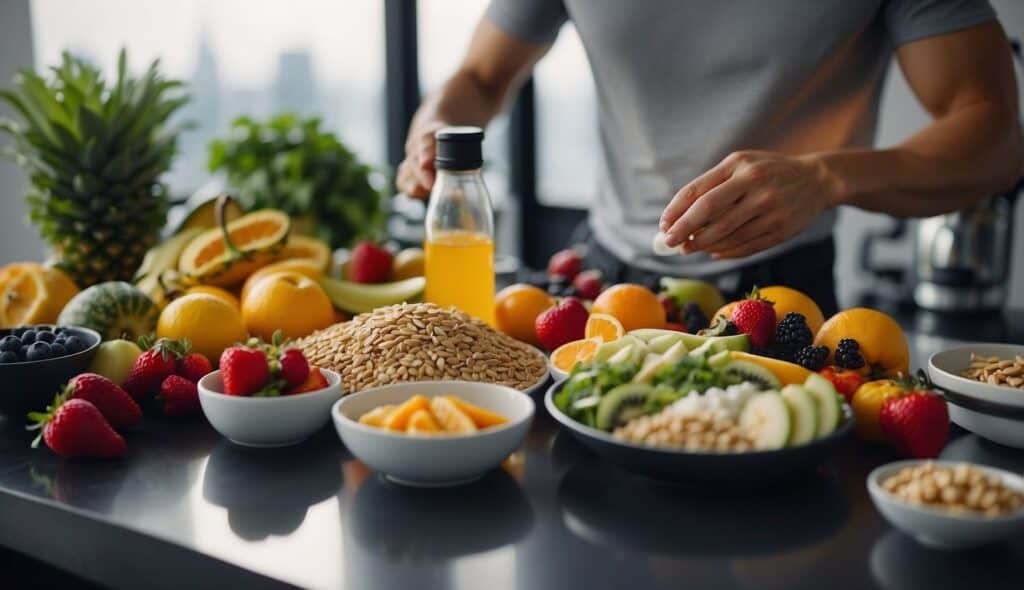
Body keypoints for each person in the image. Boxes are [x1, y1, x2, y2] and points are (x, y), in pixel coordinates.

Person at [397, 0, 1022, 315]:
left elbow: (993, 136)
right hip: (600, 289)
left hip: (782, 302)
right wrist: (433, 126)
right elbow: (481, 77)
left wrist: (825, 176)